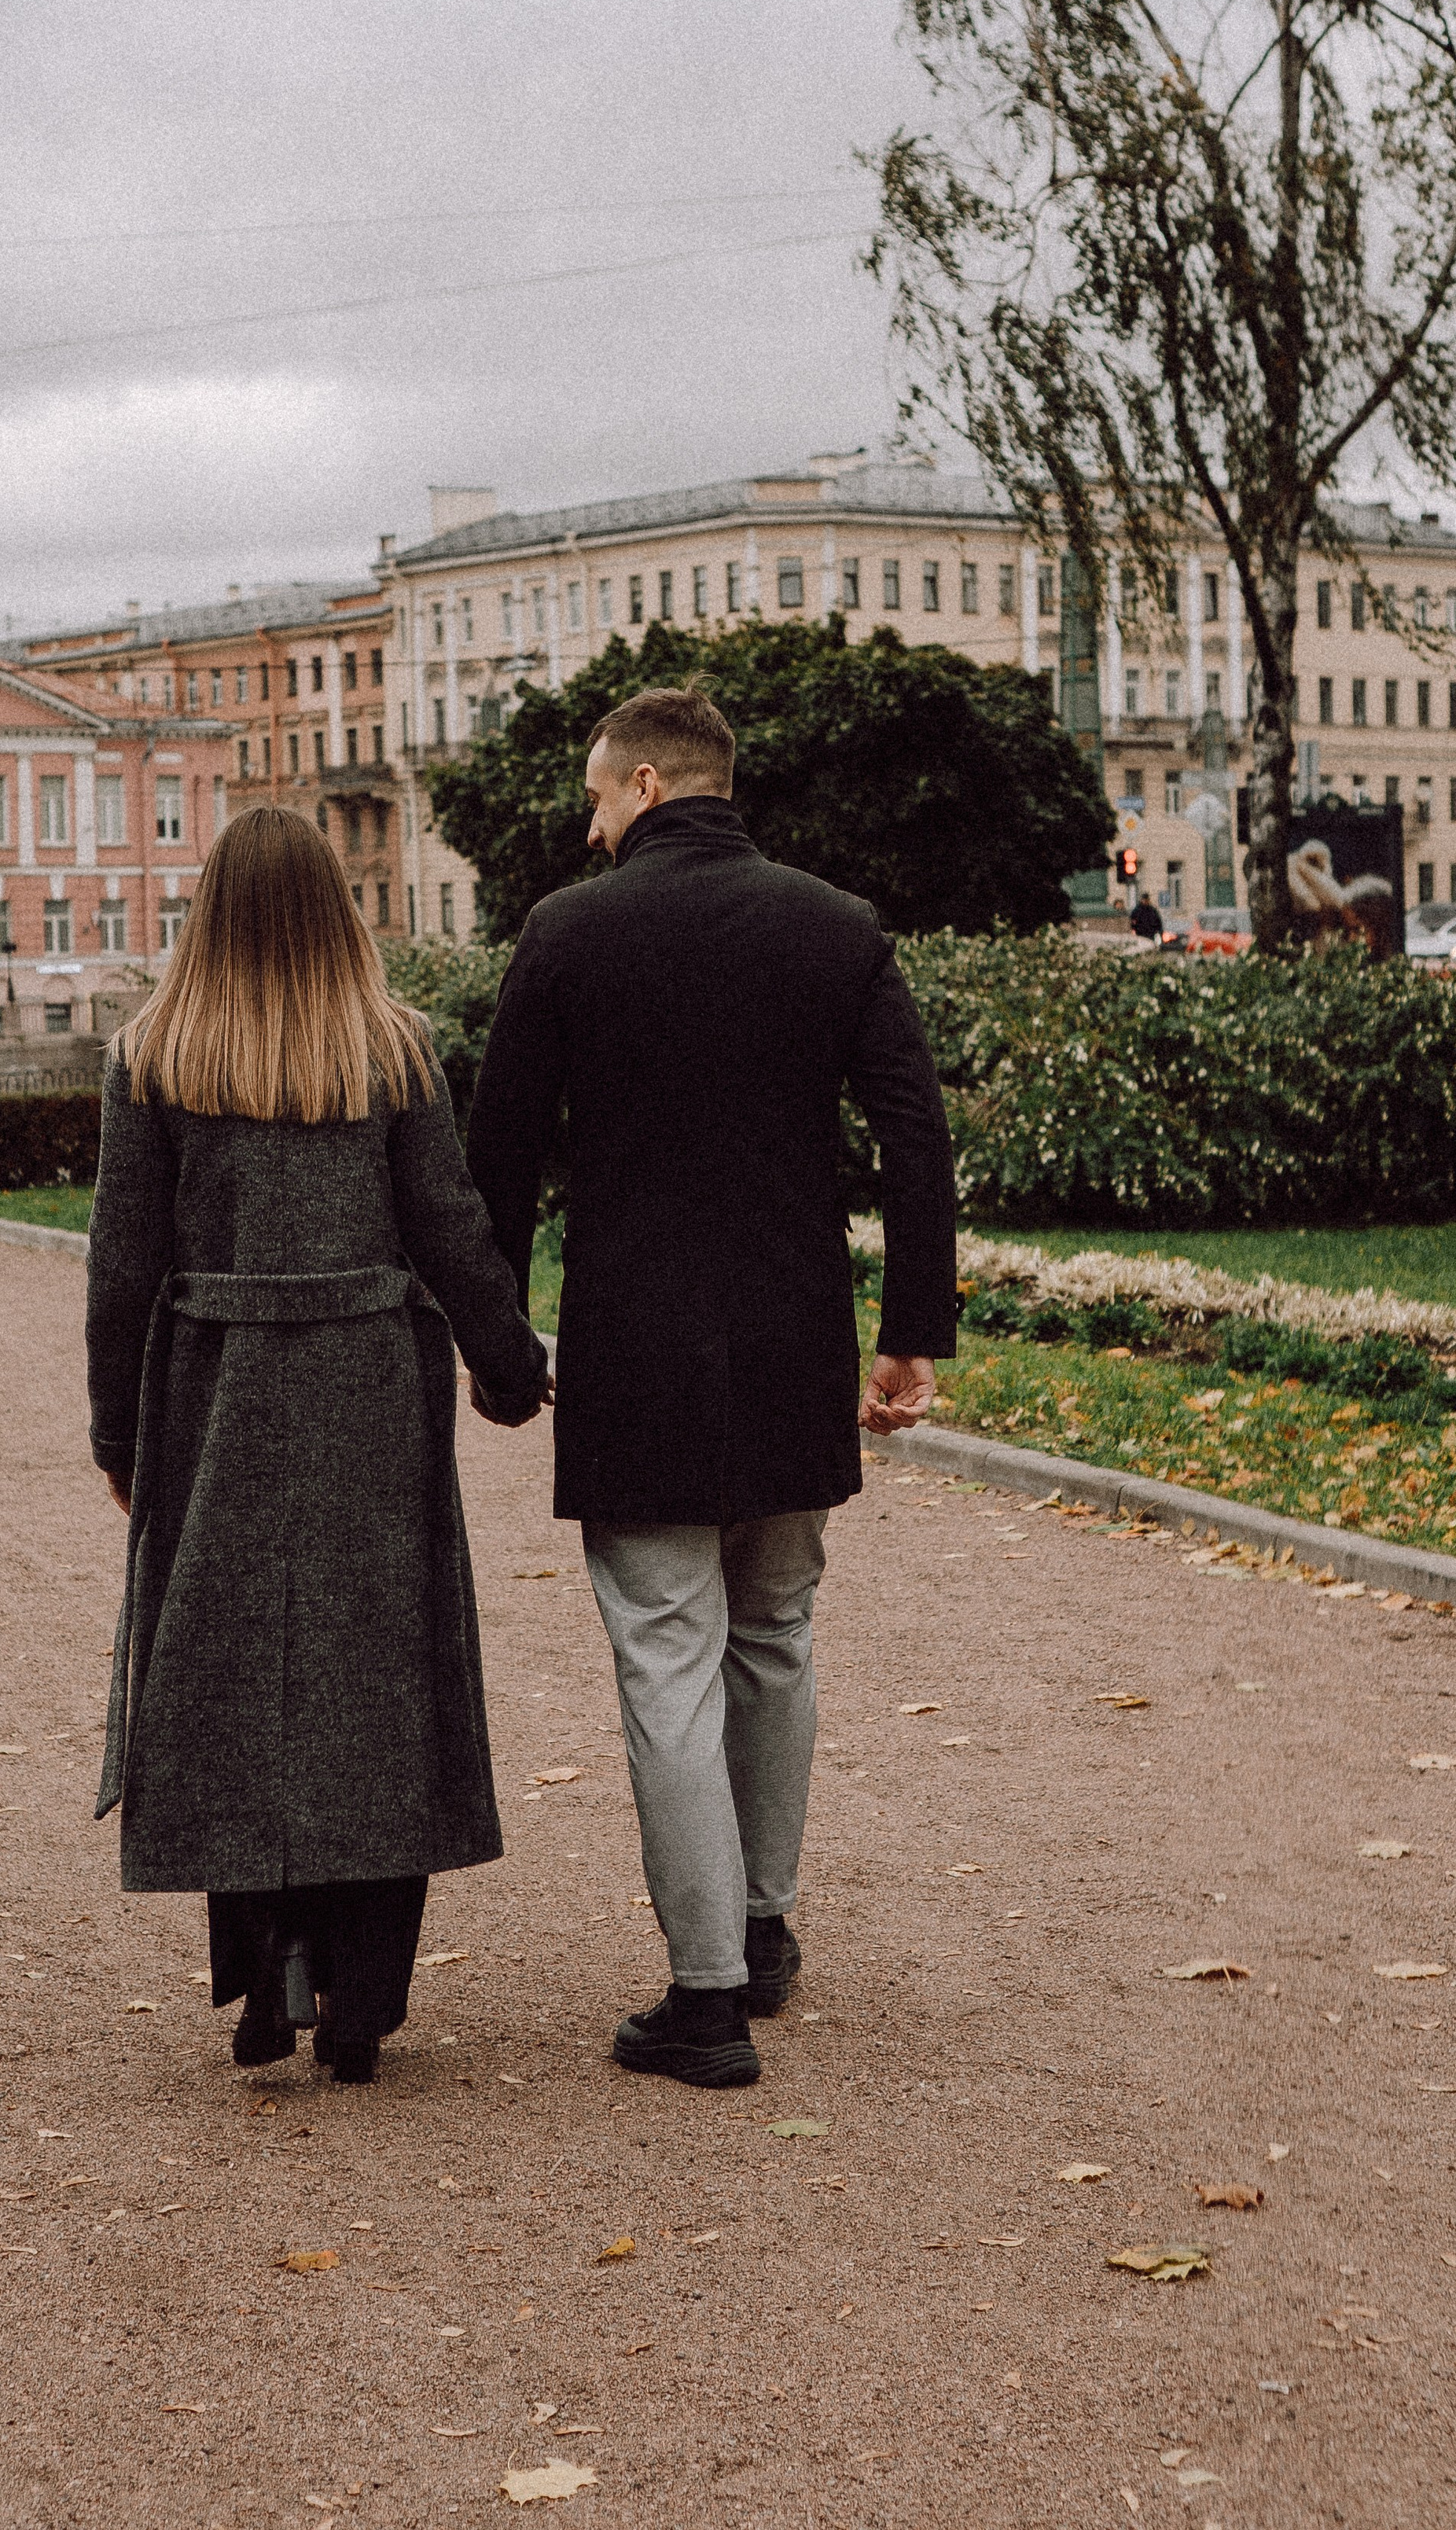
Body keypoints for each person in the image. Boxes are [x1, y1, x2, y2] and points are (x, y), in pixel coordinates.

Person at [464, 686, 954, 2088]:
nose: (589, 818)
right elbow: (916, 1138)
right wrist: (914, 1323)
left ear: (645, 785)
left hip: (636, 1349)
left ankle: (706, 1993)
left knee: (665, 1654)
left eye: (596, 794)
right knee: (779, 1629)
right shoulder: (836, 927)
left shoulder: (569, 933)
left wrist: (500, 1346)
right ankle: (763, 1920)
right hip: (797, 1340)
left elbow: (498, 1155)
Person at [85, 803, 549, 2087]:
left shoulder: (155, 1054)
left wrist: (118, 1430)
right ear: (340, 909)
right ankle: (362, 2004)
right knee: (379, 1673)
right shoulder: (391, 1049)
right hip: (365, 1387)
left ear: (209, 908)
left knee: (230, 1678)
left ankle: (266, 1968)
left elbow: (121, 1269)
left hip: (216, 1387)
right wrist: (509, 1368)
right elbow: (450, 1225)